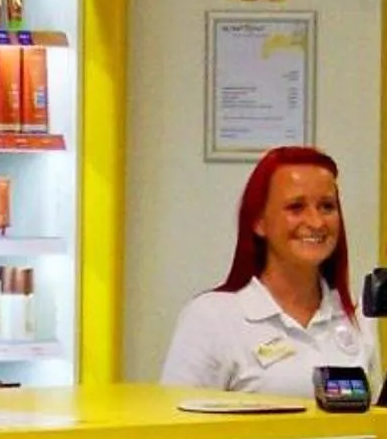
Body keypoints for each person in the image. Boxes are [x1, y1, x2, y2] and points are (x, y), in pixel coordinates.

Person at [159, 146, 374, 398]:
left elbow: (381, 423)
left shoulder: (357, 317)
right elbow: (177, 422)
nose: (316, 222)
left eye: (327, 206)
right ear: (259, 221)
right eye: (296, 207)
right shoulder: (212, 317)